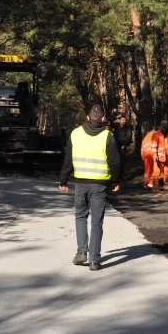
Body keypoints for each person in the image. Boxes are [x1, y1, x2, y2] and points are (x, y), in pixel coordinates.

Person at [59, 104, 121, 271]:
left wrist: (63, 181)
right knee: (97, 222)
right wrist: (115, 181)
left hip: (80, 183)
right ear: (103, 118)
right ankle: (94, 260)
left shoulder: (75, 133)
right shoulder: (107, 136)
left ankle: (81, 252)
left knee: (80, 216)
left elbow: (68, 160)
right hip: (99, 185)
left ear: (87, 117)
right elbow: (115, 162)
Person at [141, 120, 168, 192]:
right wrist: (154, 155)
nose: (165, 128)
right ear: (160, 127)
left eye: (166, 127)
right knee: (156, 172)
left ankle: (167, 186)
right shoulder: (156, 135)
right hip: (158, 157)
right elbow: (153, 146)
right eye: (163, 127)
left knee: (167, 172)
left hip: (167, 157)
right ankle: (155, 188)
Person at [111, 112, 132, 178]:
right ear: (120, 120)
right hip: (115, 146)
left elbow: (128, 137)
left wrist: (124, 145)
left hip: (123, 147)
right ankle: (115, 175)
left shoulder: (127, 128)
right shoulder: (116, 126)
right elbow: (110, 122)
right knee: (115, 160)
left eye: (125, 120)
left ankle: (121, 176)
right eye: (123, 120)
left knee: (122, 161)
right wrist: (115, 117)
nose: (124, 121)